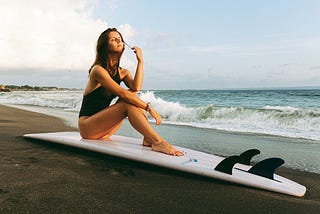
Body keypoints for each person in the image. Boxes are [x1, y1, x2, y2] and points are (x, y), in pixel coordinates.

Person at [78, 28, 183, 156]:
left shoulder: (123, 72)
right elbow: (123, 94)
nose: (118, 41)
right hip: (87, 128)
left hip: (104, 128)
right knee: (126, 101)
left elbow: (136, 88)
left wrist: (140, 61)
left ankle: (148, 138)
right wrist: (149, 108)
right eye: (113, 39)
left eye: (120, 39)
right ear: (105, 46)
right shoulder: (98, 70)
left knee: (132, 94)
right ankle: (158, 141)